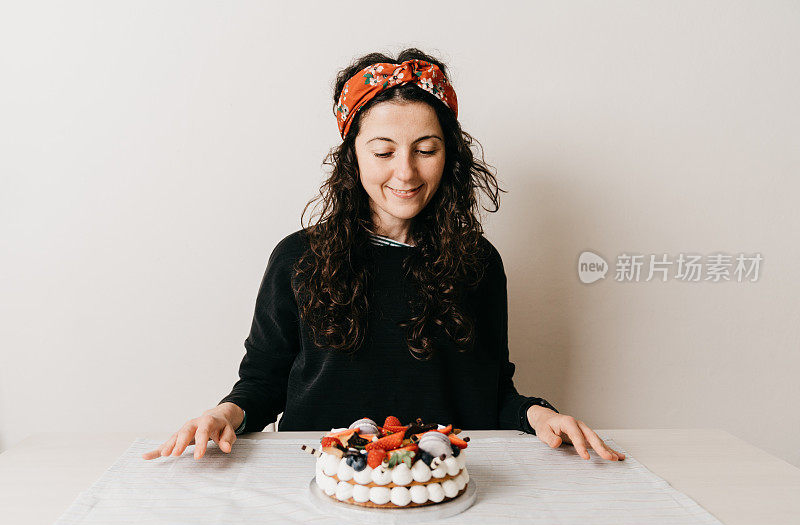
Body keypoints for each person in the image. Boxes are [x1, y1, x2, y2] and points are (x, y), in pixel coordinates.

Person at [143, 49, 625, 463]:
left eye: (426, 148)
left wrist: (539, 414)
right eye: (383, 151)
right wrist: (223, 414)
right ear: (352, 155)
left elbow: (489, 390)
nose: (406, 171)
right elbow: (263, 382)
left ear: (449, 155)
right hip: (315, 479)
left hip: (446, 481)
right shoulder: (298, 258)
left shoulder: (478, 262)